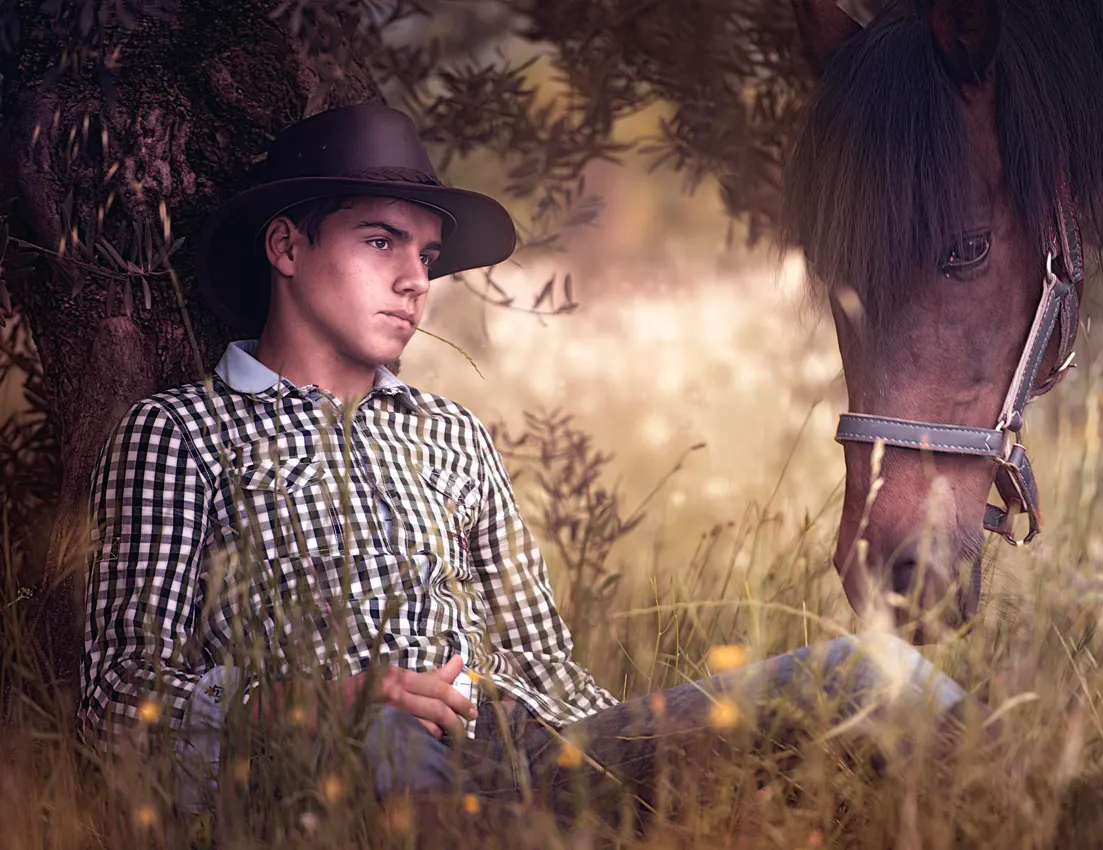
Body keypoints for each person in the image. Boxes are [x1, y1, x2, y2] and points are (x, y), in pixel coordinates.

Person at [77, 104, 976, 834]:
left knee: (885, 677)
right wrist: (326, 700)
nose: (416, 281)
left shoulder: (451, 434)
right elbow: (120, 703)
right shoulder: (181, 433)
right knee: (389, 738)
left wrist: (657, 750)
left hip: (529, 751)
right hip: (349, 757)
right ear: (286, 248)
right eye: (381, 242)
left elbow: (545, 665)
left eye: (427, 257)